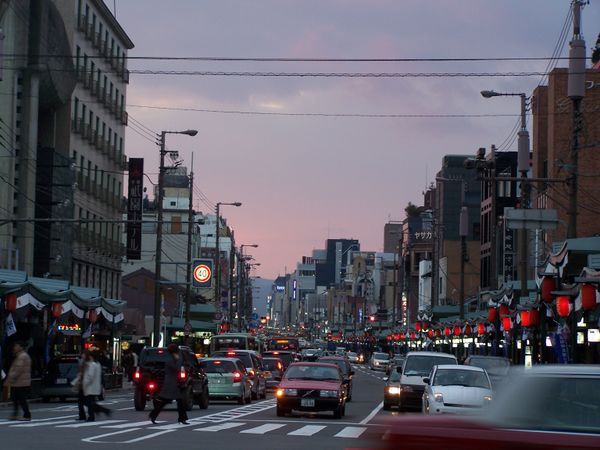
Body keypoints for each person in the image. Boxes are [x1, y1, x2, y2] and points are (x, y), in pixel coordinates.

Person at [148, 343, 188, 425]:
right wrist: (179, 359)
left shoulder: (172, 358)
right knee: (166, 401)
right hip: (170, 384)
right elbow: (177, 368)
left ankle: (182, 418)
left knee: (172, 401)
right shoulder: (171, 359)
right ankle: (153, 415)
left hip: (172, 383)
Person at [81, 350, 111, 421]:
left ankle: (92, 416)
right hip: (95, 386)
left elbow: (90, 376)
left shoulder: (92, 365)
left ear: (91, 357)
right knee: (90, 402)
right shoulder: (98, 364)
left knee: (88, 402)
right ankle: (103, 411)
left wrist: (85, 383)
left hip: (90, 387)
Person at [6, 342, 32, 421]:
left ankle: (27, 415)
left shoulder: (22, 356)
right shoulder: (22, 355)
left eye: (16, 346)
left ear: (21, 347)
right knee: (17, 399)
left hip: (20, 382)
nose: (14, 347)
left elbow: (18, 369)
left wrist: (11, 377)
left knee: (21, 399)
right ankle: (16, 414)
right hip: (20, 382)